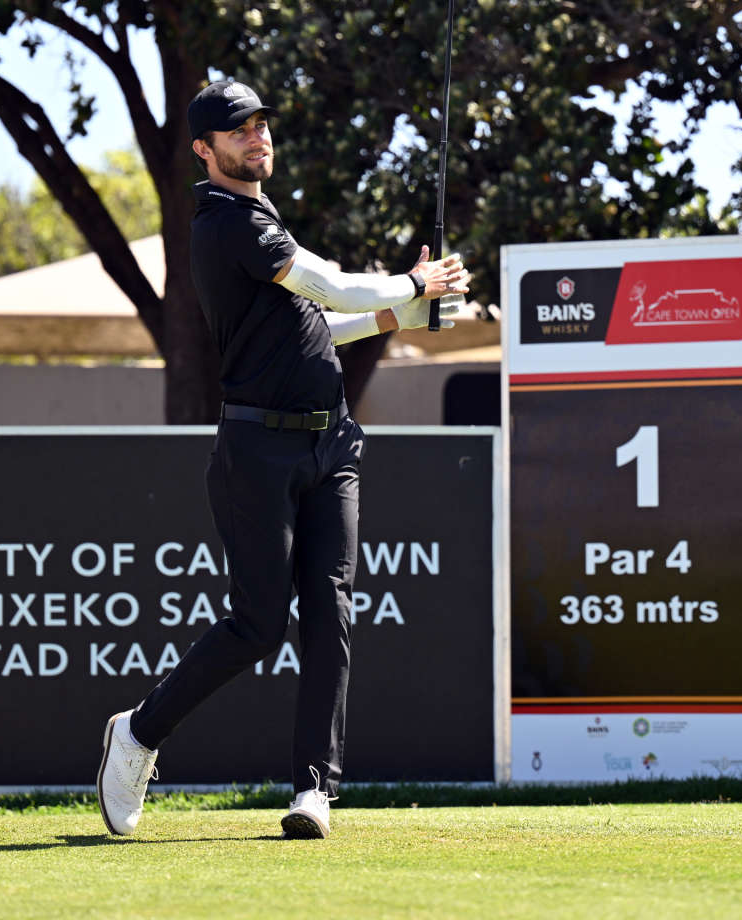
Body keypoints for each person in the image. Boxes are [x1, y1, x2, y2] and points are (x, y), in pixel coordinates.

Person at [96, 78, 467, 841]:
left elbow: (313, 335)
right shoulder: (227, 221)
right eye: (238, 130)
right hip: (255, 449)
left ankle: (312, 792)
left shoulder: (263, 217)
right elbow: (325, 288)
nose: (256, 136)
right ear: (205, 151)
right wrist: (412, 281)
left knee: (330, 611)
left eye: (261, 123)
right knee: (260, 626)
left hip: (330, 442)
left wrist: (402, 312)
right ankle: (136, 732)